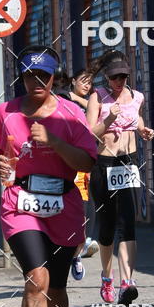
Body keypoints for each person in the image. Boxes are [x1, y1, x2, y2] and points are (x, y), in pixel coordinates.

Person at [0, 45, 96, 307]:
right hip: (20, 202)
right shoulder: (6, 112)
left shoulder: (70, 114)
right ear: (21, 77)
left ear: (53, 77)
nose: (36, 82)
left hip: (63, 205)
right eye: (30, 75)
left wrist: (53, 140)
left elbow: (87, 162)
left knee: (57, 288)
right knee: (36, 279)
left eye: (43, 75)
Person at [86, 50, 154, 305]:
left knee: (128, 221)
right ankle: (107, 277)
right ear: (106, 76)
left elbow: (136, 117)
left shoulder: (137, 96)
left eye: (123, 77)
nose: (119, 81)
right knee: (107, 225)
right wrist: (109, 119)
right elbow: (89, 133)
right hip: (103, 164)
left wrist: (143, 130)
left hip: (127, 163)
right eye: (115, 77)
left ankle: (127, 282)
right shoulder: (97, 97)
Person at [65, 68, 99, 280]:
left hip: (88, 159)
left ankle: (82, 242)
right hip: (71, 159)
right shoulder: (65, 100)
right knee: (81, 201)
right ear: (73, 81)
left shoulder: (87, 101)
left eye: (90, 82)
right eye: (83, 81)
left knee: (89, 201)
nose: (87, 85)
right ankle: (76, 248)